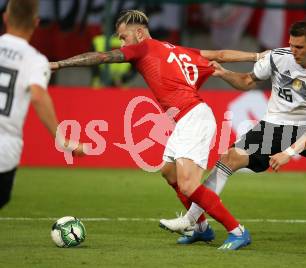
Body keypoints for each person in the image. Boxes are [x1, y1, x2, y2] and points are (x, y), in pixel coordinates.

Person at [50, 9, 265, 250]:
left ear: (139, 33)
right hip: (187, 118)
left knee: (187, 184)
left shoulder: (143, 48)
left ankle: (237, 231)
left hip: (193, 116)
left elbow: (101, 57)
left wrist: (60, 64)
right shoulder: (177, 50)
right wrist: (257, 55)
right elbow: (221, 55)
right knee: (169, 172)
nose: (122, 43)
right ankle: (202, 229)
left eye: (123, 37)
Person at [161, 21, 306, 249]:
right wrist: (225, 73)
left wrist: (288, 153)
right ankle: (191, 220)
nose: (293, 51)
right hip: (272, 126)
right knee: (229, 158)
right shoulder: (278, 57)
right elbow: (247, 81)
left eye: (299, 47)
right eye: (291, 45)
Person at [0, 0, 85, 209]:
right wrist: (62, 139)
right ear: (36, 22)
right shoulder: (35, 60)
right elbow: (38, 96)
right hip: (4, 146)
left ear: (5, 18)